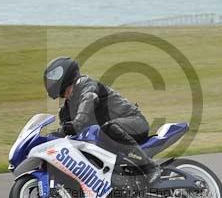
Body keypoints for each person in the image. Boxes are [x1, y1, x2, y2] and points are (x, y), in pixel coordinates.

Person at [43, 56, 160, 184]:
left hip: (134, 122)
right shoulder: (65, 110)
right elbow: (68, 136)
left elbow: (88, 101)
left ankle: (149, 167)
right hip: (108, 140)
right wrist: (50, 137)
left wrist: (76, 123)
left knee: (108, 128)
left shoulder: (87, 85)